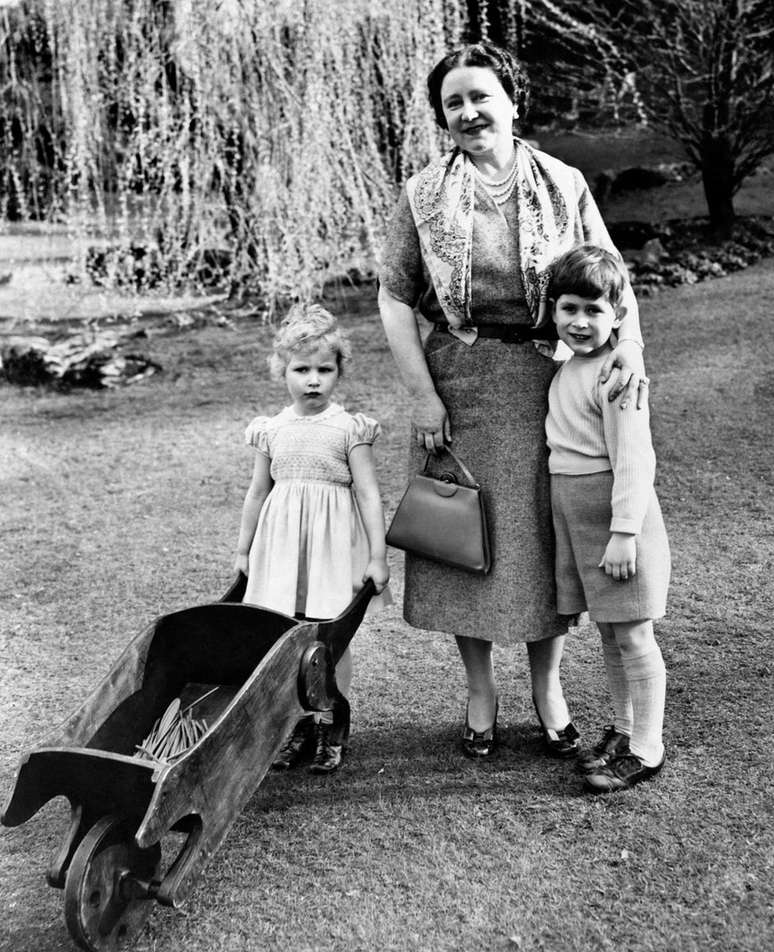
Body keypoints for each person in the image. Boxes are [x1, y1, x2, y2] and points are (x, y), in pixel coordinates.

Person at [378, 41, 649, 758]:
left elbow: (611, 280)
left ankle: (548, 687)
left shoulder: (562, 181)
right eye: (454, 103)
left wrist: (629, 356)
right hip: (457, 389)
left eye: (480, 96)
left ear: (511, 100)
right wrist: (421, 395)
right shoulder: (423, 194)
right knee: (463, 538)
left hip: (545, 385)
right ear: (444, 117)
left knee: (536, 543)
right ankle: (478, 690)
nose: (470, 112)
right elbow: (394, 296)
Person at [235, 304, 391, 774]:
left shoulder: (349, 429)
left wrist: (378, 556)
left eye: (325, 369)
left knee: (330, 638)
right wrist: (245, 550)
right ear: (282, 370)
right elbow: (258, 492)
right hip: (283, 549)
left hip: (332, 549)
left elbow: (367, 494)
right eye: (301, 369)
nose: (313, 380)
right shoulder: (271, 430)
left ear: (339, 371)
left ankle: (330, 721)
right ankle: (296, 722)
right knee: (287, 637)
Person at [545, 245, 670, 791]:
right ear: (553, 311)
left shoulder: (619, 376)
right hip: (577, 515)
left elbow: (635, 461)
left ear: (618, 316)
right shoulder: (569, 368)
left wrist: (624, 534)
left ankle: (648, 748)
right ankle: (624, 729)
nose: (580, 321)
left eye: (595, 311)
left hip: (617, 521)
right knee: (612, 635)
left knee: (635, 635)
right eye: (570, 308)